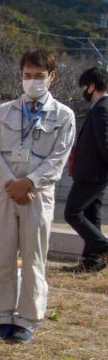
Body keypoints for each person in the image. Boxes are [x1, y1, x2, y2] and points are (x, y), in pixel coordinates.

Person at [0, 48, 76, 344]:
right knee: (4, 257)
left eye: (39, 76)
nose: (32, 81)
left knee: (34, 258)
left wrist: (30, 183)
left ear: (51, 77)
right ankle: (3, 317)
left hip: (38, 196)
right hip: (6, 193)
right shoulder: (4, 112)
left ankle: (26, 320)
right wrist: (11, 183)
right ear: (20, 76)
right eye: (27, 76)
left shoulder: (64, 116)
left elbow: (58, 158)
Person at [64, 66, 108, 273]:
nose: (84, 91)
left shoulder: (102, 108)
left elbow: (105, 144)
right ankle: (93, 260)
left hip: (92, 173)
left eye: (85, 86)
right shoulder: (100, 107)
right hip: (94, 172)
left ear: (91, 86)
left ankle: (103, 247)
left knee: (72, 212)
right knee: (91, 214)